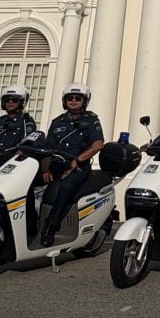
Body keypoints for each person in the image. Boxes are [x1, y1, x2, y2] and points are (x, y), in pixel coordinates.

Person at [39, 82, 104, 247]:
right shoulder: (57, 122)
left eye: (77, 98)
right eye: (70, 98)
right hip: (56, 164)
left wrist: (78, 159)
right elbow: (48, 148)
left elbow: (97, 145)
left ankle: (51, 226)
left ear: (84, 101)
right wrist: (45, 169)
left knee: (65, 187)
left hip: (79, 167)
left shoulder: (91, 120)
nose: (73, 101)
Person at [0, 85, 36, 178]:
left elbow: (26, 146)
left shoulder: (26, 121)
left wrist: (1, 169)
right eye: (7, 100)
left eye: (14, 100)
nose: (10, 102)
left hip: (12, 163)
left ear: (21, 102)